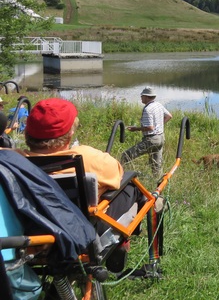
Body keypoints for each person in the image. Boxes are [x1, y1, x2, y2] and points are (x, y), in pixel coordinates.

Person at [22, 98, 145, 233]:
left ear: (27, 132)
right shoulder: (87, 157)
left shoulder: (12, 160)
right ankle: (120, 245)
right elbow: (118, 172)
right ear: (70, 133)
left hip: (31, 230)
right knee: (130, 188)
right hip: (80, 231)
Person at [122, 87, 172, 180]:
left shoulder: (147, 109)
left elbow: (150, 128)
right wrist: (160, 126)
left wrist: (135, 129)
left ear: (146, 97)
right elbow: (169, 116)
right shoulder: (158, 105)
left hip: (151, 139)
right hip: (160, 137)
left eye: (142, 96)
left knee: (126, 156)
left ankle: (120, 176)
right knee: (156, 166)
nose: (141, 98)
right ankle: (157, 185)